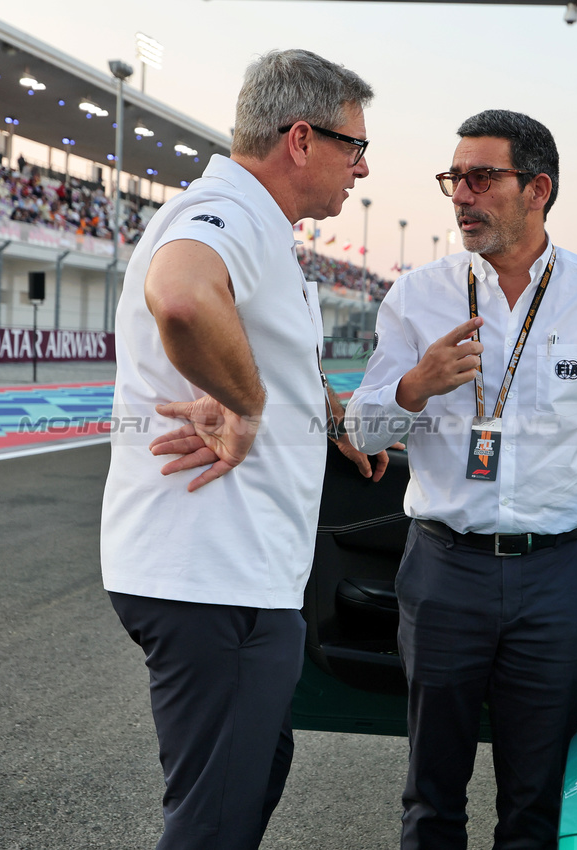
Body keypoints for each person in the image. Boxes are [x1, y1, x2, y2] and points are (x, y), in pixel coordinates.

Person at [345, 109, 577, 849]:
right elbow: (361, 434)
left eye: (482, 178)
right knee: (431, 797)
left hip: (557, 577)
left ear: (537, 189)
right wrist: (414, 387)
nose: (462, 195)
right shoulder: (416, 295)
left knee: (535, 800)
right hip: (443, 571)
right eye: (454, 179)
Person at [100, 49, 382, 850]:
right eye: (355, 146)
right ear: (302, 139)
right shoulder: (227, 210)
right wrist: (248, 406)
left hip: (235, 574)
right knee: (215, 822)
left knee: (251, 783)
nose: (362, 168)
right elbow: (183, 297)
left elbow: (264, 346)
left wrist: (321, 409)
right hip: (209, 574)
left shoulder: (260, 225)